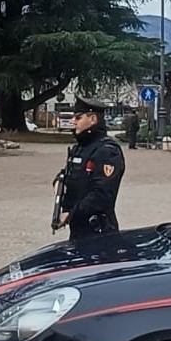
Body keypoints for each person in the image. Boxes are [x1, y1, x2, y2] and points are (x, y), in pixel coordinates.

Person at [55, 97, 125, 241]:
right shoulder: (79, 148)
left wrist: (71, 214)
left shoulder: (107, 151)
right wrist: (59, 181)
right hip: (78, 228)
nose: (73, 121)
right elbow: (70, 175)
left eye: (78, 117)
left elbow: (102, 195)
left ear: (93, 119)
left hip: (99, 230)